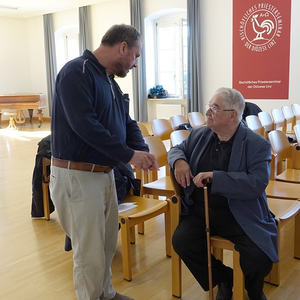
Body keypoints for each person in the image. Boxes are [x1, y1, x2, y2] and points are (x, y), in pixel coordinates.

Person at [50, 24, 157, 300]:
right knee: (89, 252)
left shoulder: (109, 80)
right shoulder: (76, 73)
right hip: (78, 176)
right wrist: (129, 155)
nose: (135, 64)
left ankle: (106, 294)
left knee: (107, 244)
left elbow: (127, 121)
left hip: (104, 173)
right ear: (123, 47)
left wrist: (141, 150)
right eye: (135, 56)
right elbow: (85, 126)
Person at [168, 87, 278, 300]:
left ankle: (252, 289)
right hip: (203, 210)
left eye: (214, 108)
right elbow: (176, 149)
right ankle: (223, 279)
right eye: (208, 106)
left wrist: (216, 177)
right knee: (182, 242)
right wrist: (179, 161)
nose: (207, 112)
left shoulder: (257, 145)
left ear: (233, 115)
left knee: (258, 257)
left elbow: (256, 183)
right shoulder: (200, 134)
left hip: (240, 213)